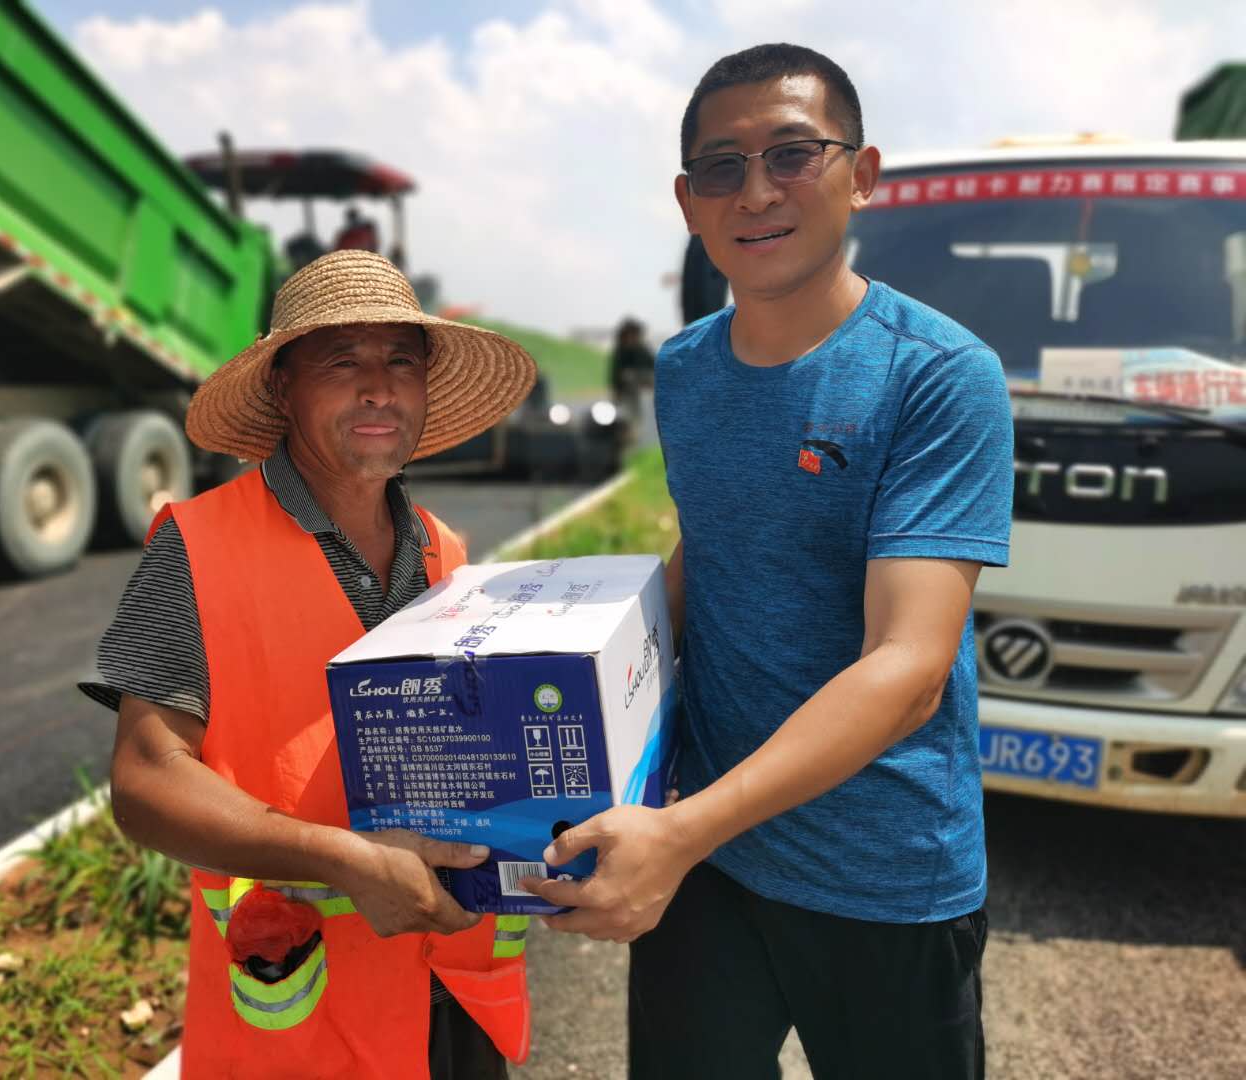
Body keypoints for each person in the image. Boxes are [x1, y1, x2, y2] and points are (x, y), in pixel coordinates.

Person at [520, 43, 1014, 1080]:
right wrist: (555, 663)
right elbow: (713, 549)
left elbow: (910, 667)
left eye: (792, 154)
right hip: (710, 864)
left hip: (882, 875)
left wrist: (681, 833)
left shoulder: (937, 375)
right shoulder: (686, 368)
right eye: (721, 168)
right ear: (688, 203)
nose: (754, 193)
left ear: (861, 174)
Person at [79, 250, 539, 1079]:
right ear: (283, 388)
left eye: (401, 361)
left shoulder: (444, 551)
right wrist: (343, 859)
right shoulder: (197, 547)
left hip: (455, 996)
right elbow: (145, 782)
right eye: (342, 361)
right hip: (303, 1026)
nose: (379, 388)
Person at [607, 317, 655, 416]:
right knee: (628, 376)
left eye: (634, 335)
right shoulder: (621, 351)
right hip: (629, 388)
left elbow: (653, 365)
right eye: (630, 335)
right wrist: (617, 392)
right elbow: (615, 373)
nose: (632, 338)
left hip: (645, 383)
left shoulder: (642, 349)